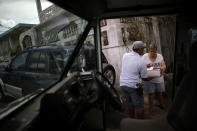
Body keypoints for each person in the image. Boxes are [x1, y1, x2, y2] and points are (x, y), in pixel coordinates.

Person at [120, 41, 153, 119]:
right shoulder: (141, 61)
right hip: (133, 87)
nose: (143, 50)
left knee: (130, 103)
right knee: (139, 106)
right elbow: (144, 78)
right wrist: (153, 76)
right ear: (139, 49)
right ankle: (140, 124)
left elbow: (131, 66)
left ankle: (132, 120)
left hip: (123, 85)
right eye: (143, 49)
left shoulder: (125, 55)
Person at [142, 44, 167, 115]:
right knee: (151, 95)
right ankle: (151, 108)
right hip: (149, 80)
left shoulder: (159, 56)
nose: (153, 53)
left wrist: (163, 69)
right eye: (151, 51)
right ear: (148, 51)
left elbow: (164, 65)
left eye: (154, 51)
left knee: (160, 93)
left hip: (159, 79)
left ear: (156, 51)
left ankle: (162, 105)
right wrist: (148, 66)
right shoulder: (144, 57)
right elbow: (141, 66)